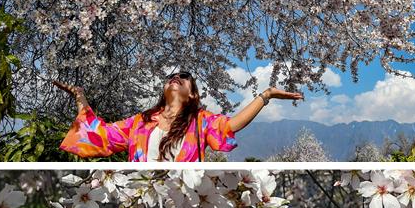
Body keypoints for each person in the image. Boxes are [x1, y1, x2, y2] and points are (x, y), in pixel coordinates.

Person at [54, 71, 303, 162]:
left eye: (184, 78)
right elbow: (100, 136)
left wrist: (267, 95)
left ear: (192, 93)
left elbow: (232, 124)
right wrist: (80, 98)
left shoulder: (201, 121)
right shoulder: (141, 122)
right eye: (172, 76)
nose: (177, 78)